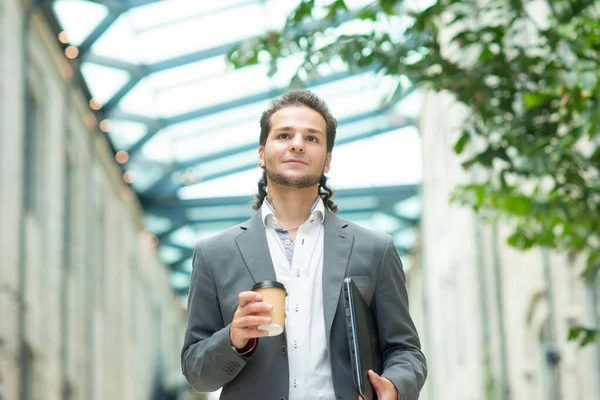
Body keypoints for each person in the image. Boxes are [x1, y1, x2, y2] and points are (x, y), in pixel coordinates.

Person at [181, 90, 427, 399]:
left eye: (311, 138)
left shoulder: (375, 249)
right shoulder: (214, 254)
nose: (297, 143)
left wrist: (394, 385)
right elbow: (196, 372)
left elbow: (406, 352)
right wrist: (232, 339)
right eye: (284, 135)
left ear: (327, 160)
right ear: (261, 153)